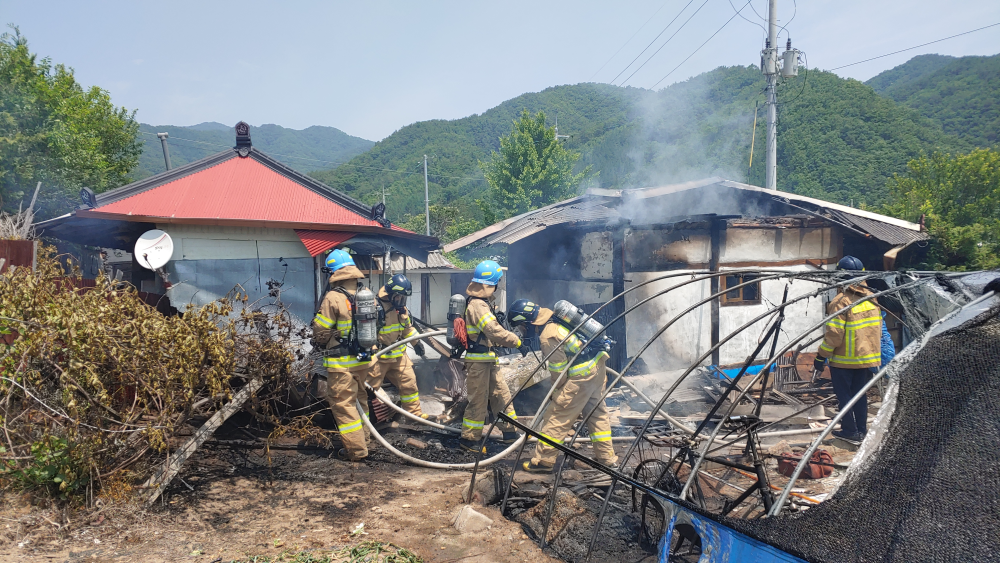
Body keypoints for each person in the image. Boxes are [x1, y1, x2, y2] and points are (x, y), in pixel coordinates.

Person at [507, 299, 619, 473]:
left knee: (557, 416)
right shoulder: (557, 319)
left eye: (521, 326)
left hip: (581, 377)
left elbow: (559, 372)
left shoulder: (548, 335)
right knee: (597, 414)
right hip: (597, 368)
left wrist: (557, 391)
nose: (522, 331)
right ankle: (607, 459)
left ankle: (543, 461)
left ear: (528, 323)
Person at [311, 249, 375, 461]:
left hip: (341, 364)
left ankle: (356, 451)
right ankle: (365, 440)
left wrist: (317, 339)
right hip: (362, 361)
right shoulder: (366, 294)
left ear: (334, 273)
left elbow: (321, 330)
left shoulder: (333, 297)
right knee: (360, 401)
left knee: (344, 405)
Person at [458, 260, 527, 452]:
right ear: (490, 283)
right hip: (478, 361)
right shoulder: (478, 305)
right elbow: (493, 331)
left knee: (501, 396)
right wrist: (517, 342)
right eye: (497, 282)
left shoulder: (484, 303)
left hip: (488, 358)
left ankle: (510, 432)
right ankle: (470, 440)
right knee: (478, 400)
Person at [814, 255, 882, 442]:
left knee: (845, 397)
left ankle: (850, 431)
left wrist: (821, 356)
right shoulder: (872, 298)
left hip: (844, 361)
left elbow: (834, 337)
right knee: (860, 396)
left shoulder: (841, 301)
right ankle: (861, 430)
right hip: (867, 359)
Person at [366, 274, 429, 418]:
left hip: (399, 357)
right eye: (399, 297)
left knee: (409, 384)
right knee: (368, 389)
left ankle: (414, 415)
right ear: (391, 294)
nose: (401, 301)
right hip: (379, 358)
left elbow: (407, 328)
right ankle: (366, 421)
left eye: (403, 298)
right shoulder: (376, 308)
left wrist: (416, 342)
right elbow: (366, 333)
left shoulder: (401, 309)